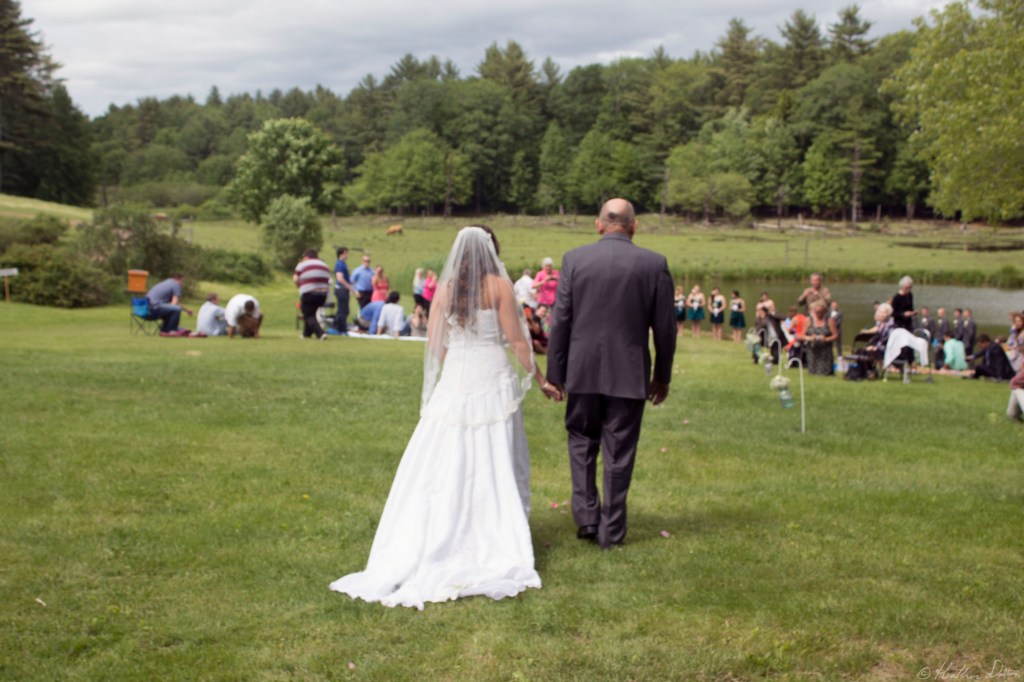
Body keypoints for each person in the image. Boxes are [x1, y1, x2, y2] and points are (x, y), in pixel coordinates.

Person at [330, 225, 559, 610]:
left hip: (456, 377)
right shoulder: (500, 286)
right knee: (494, 457)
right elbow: (518, 341)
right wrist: (541, 380)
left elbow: (436, 344)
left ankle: (441, 526)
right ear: (492, 251)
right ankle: (490, 530)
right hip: (492, 377)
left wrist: (455, 370)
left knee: (447, 455)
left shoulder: (446, 289)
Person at [546, 198, 675, 550]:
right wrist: (662, 376)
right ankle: (611, 531)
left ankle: (587, 517)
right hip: (629, 372)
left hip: (582, 368)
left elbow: (561, 320)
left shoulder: (575, 260)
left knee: (581, 441)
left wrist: (555, 373)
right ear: (634, 226)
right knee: (619, 450)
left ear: (598, 224)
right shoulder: (654, 264)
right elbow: (665, 329)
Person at [293, 249, 330, 340]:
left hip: (309, 292)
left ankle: (320, 333)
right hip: (323, 294)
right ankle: (306, 334)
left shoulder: (302, 264)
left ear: (306, 257)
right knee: (311, 312)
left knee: (308, 314)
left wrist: (299, 287)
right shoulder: (324, 265)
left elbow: (295, 279)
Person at [799, 301, 838, 375]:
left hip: (825, 352)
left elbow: (835, 335)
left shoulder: (829, 320)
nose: (819, 314)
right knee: (812, 373)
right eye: (817, 312)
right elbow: (802, 335)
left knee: (825, 373)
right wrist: (810, 338)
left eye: (821, 312)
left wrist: (826, 339)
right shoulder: (808, 320)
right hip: (812, 350)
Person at [332, 247, 356, 335]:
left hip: (344, 289)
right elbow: (340, 278)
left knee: (344, 310)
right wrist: (349, 287)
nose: (347, 255)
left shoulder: (343, 264)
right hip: (341, 289)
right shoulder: (339, 264)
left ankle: (337, 326)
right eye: (346, 253)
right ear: (341, 254)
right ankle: (341, 329)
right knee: (343, 310)